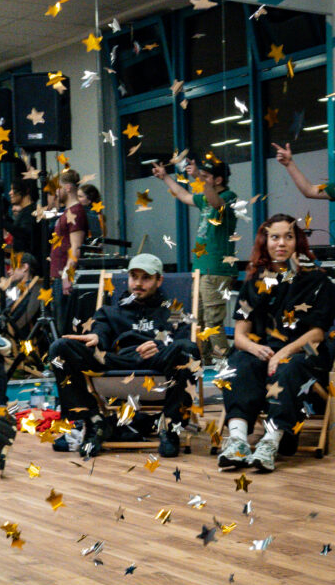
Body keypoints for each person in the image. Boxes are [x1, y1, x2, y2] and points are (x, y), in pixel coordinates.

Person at [47, 254, 201, 458]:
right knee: (60, 348)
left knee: (189, 350)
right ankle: (93, 421)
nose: (138, 283)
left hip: (157, 363)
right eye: (133, 276)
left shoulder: (173, 311)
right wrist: (96, 336)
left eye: (146, 278)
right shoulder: (110, 311)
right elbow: (100, 332)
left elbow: (185, 342)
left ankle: (170, 427)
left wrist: (161, 345)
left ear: (159, 280)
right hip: (117, 362)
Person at [217, 214, 335, 473]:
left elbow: (317, 334)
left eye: (288, 237)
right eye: (275, 237)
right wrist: (254, 348)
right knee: (238, 362)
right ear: (265, 242)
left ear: (298, 242)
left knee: (289, 366)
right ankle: (237, 440)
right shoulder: (254, 282)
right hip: (263, 353)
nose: (281, 243)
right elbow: (240, 335)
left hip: (305, 352)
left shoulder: (318, 281)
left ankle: (271, 442)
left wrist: (282, 353)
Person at [151, 156, 236, 362]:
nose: (201, 180)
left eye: (206, 177)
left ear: (218, 180)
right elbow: (184, 195)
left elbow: (217, 204)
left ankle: (223, 364)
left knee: (213, 322)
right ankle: (205, 362)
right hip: (201, 269)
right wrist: (165, 177)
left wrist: (198, 176)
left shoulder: (229, 196)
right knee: (198, 321)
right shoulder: (205, 198)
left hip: (216, 270)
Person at [48, 169, 88, 292]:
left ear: (68, 187)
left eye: (58, 188)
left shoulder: (76, 212)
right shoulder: (68, 212)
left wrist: (67, 275)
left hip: (64, 277)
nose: (56, 192)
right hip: (58, 276)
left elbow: (76, 247)